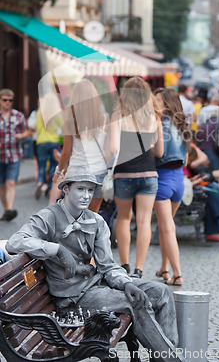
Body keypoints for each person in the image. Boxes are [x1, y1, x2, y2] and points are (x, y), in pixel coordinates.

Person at [5, 164, 186, 362]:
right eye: (80, 189)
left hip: (97, 285)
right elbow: (16, 241)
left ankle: (163, 357)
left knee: (162, 292)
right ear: (66, 189)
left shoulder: (97, 221)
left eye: (90, 190)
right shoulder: (49, 216)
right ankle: (171, 360)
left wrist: (126, 283)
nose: (86, 195)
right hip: (73, 298)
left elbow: (107, 265)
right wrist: (56, 249)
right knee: (135, 304)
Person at [109, 77, 163, 278]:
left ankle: (124, 265)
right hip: (149, 174)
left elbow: (114, 148)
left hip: (124, 174)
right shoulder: (153, 117)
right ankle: (139, 269)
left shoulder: (118, 115)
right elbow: (159, 151)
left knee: (123, 218)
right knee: (144, 221)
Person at [52, 79, 109, 214]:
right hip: (98, 173)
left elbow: (66, 153)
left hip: (77, 172)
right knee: (92, 216)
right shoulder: (106, 118)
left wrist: (58, 173)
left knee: (73, 216)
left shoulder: (70, 121)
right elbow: (108, 149)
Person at [154, 88, 191, 287]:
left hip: (162, 179)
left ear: (167, 103)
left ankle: (177, 274)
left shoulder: (158, 123)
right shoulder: (183, 125)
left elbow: (157, 153)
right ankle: (164, 268)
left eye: (158, 99)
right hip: (179, 180)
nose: (155, 102)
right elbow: (186, 159)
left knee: (167, 228)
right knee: (166, 226)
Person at [0, 88, 29, 221]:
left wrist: (21, 136)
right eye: (5, 100)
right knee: (1, 185)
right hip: (0, 155)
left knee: (11, 183)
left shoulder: (18, 116)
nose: (7, 102)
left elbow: (27, 132)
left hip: (14, 154)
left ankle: (10, 209)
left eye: (10, 100)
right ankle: (7, 210)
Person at [35, 96, 62, 199]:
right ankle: (50, 187)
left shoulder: (39, 113)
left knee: (41, 165)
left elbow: (37, 127)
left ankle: (40, 183)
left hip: (41, 142)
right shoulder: (55, 114)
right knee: (53, 166)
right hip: (54, 142)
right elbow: (63, 125)